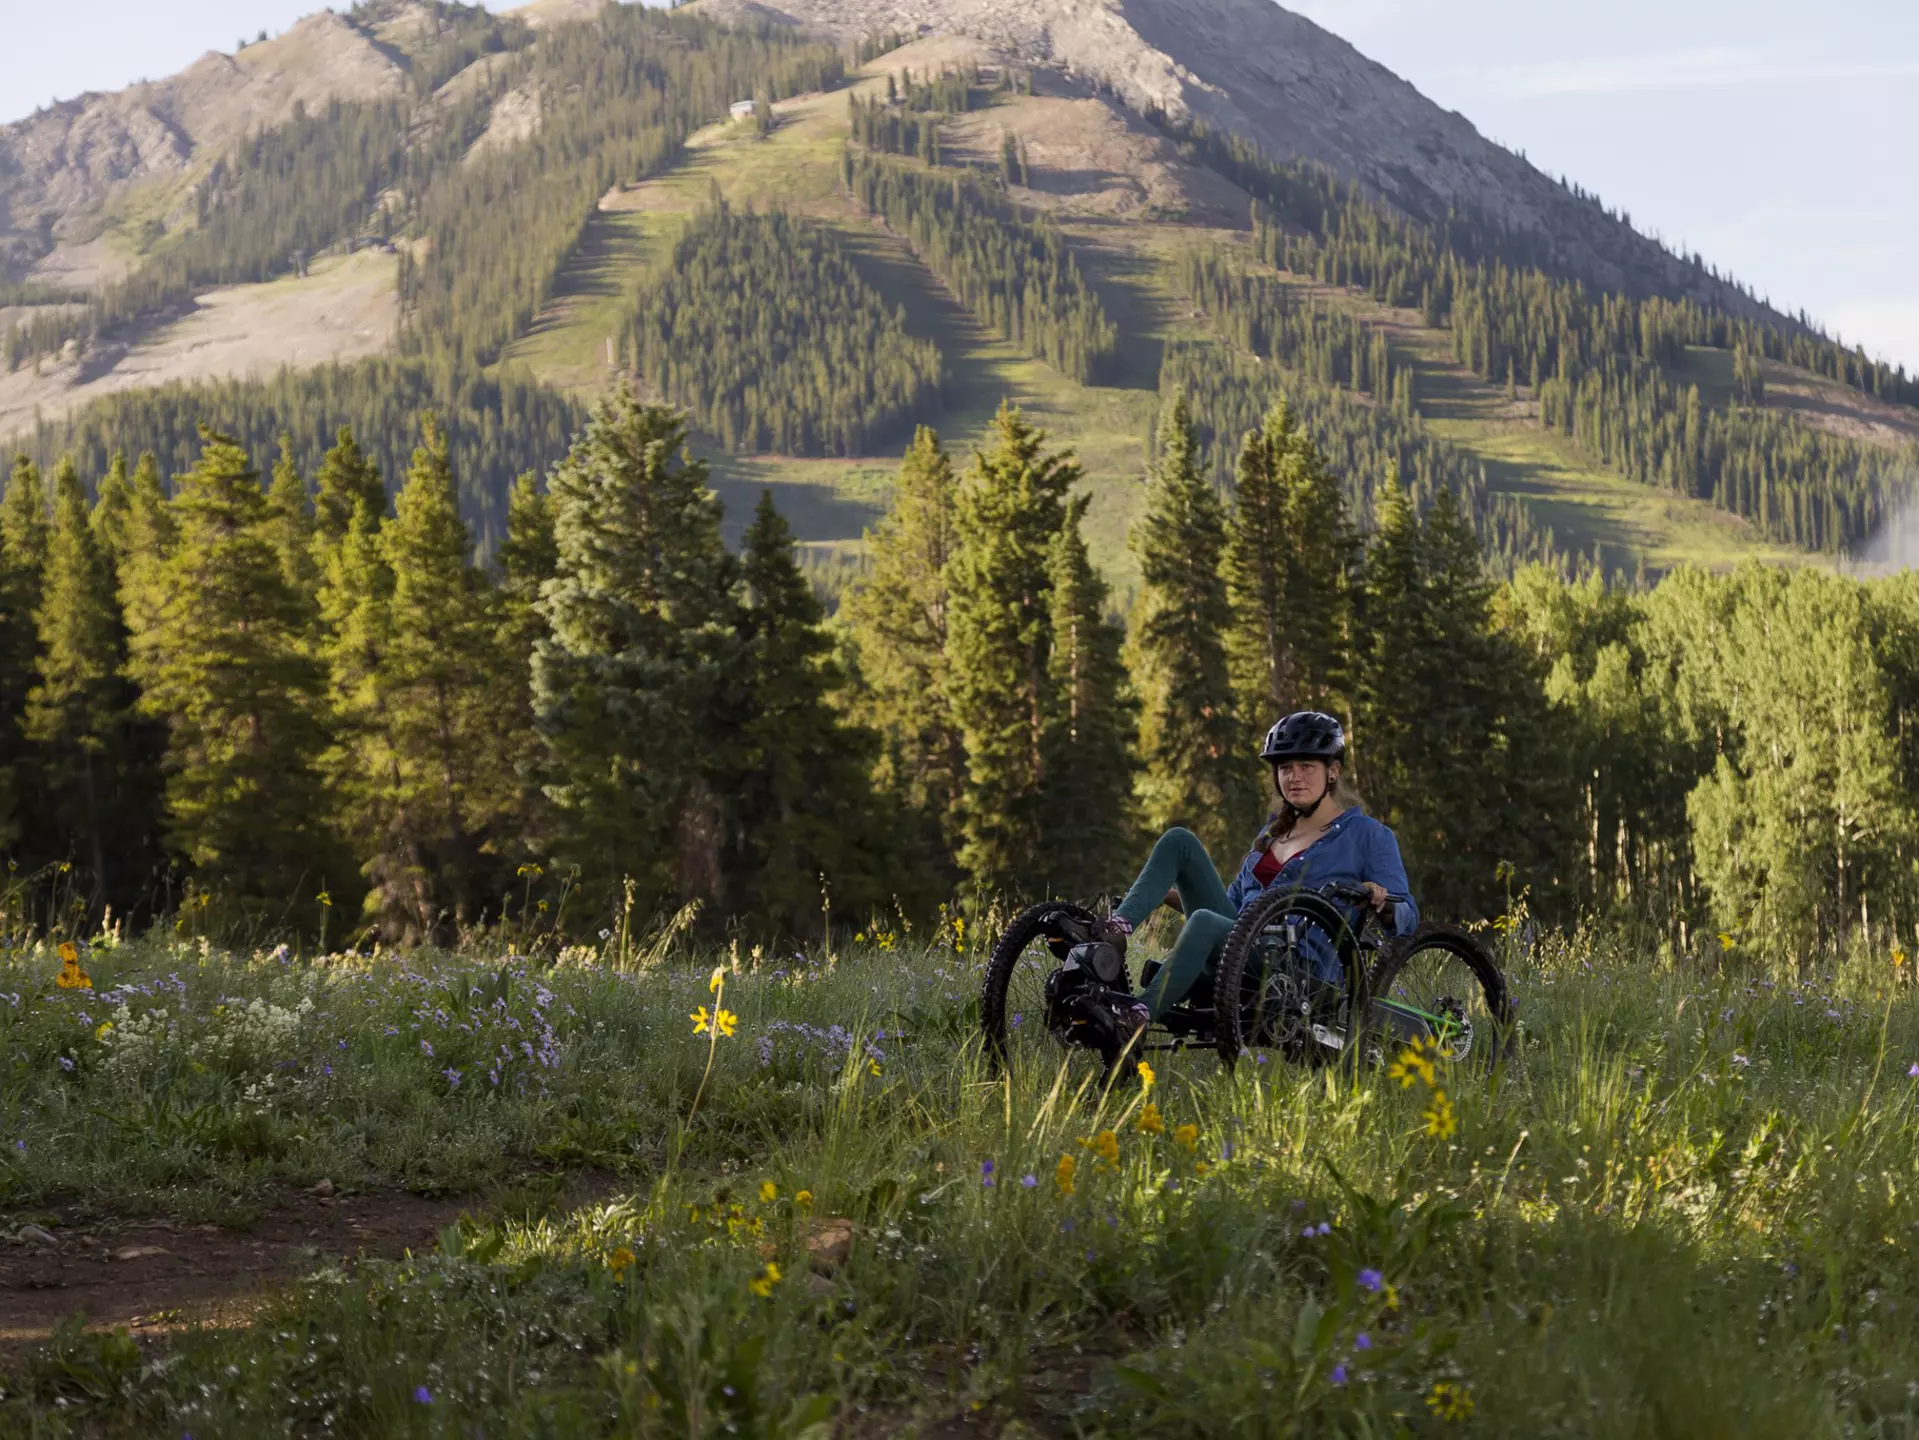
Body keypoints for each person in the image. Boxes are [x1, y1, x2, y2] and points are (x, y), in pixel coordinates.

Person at [1095, 711, 1418, 1028]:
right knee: (1179, 841)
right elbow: (1233, 909)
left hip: (1296, 967)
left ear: (1332, 772)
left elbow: (1407, 917)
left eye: (1307, 766)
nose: (1295, 777)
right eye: (1285, 768)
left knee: (1205, 922)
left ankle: (1138, 1016)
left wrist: (1382, 901)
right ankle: (1114, 933)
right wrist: (1164, 894)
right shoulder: (1271, 836)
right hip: (1245, 945)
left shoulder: (1366, 834)